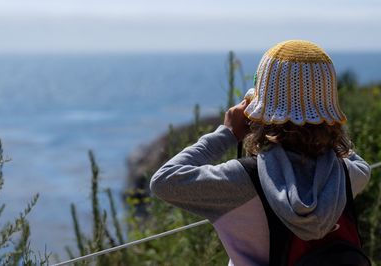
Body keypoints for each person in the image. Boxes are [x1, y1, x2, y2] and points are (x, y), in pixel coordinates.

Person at [149, 40, 371, 266]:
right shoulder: (349, 175)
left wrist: (228, 133)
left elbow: (163, 181)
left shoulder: (241, 181)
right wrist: (323, 118)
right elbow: (349, 154)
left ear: (259, 111)